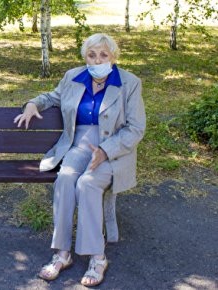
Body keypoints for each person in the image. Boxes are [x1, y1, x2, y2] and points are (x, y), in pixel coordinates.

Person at [14, 33, 146, 286]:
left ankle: (97, 256)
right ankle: (62, 253)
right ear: (85, 56)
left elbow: (135, 128)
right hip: (79, 144)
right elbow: (52, 97)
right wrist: (33, 103)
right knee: (64, 179)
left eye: (103, 55)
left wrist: (106, 150)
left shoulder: (130, 83)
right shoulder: (73, 77)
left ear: (114, 57)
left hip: (112, 148)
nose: (97, 59)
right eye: (92, 54)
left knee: (87, 184)